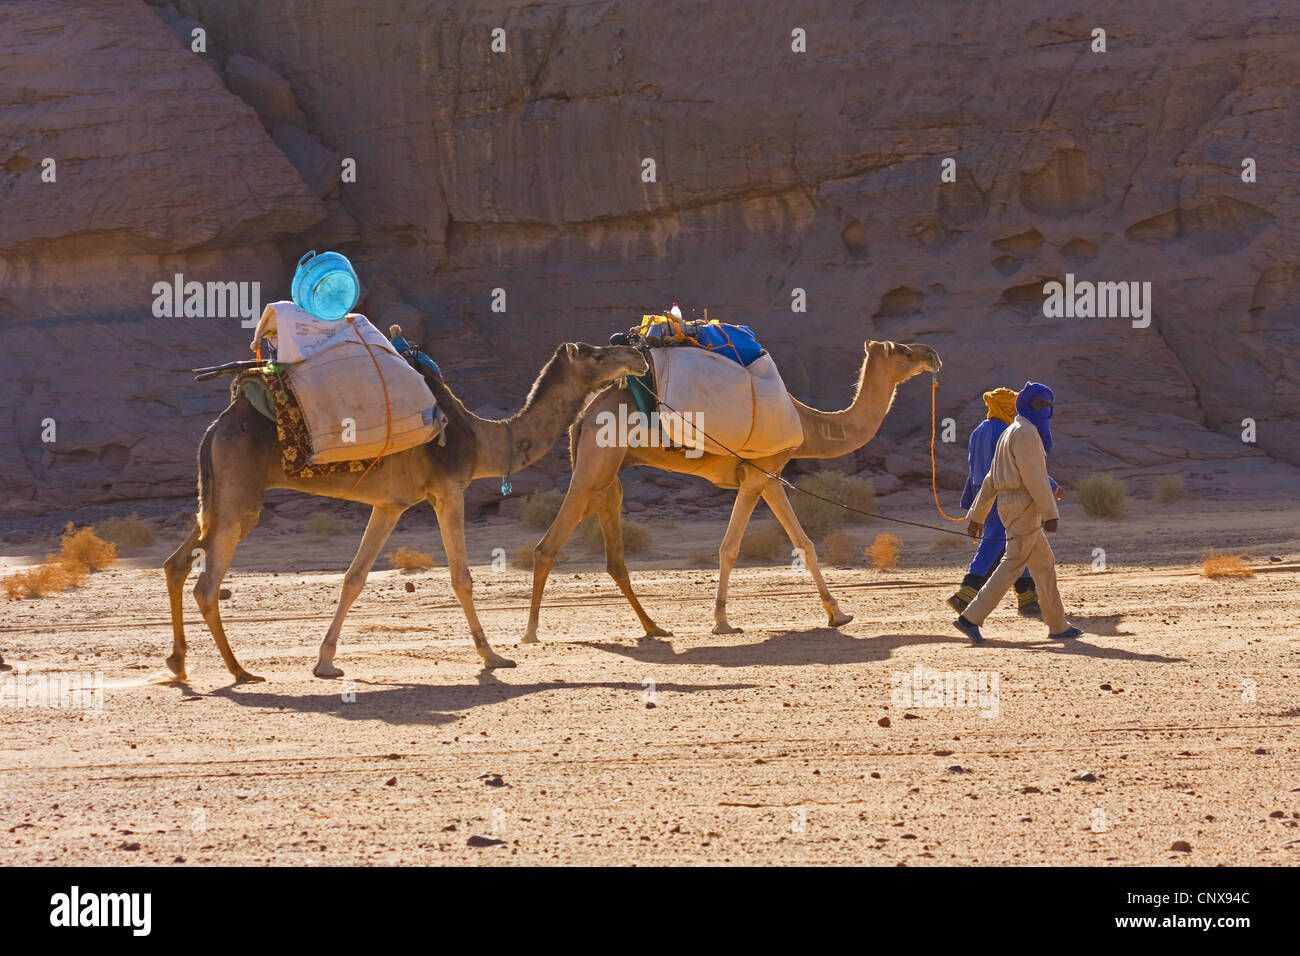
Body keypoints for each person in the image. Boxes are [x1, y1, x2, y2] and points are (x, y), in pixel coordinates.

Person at [953, 382, 1082, 644]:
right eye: (1039, 404)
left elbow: (990, 478)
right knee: (1013, 563)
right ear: (1025, 404)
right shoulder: (1026, 433)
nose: (1044, 409)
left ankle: (1058, 625)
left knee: (1044, 564)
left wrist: (977, 516)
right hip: (1024, 505)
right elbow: (1034, 477)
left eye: (1047, 404)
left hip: (1009, 503)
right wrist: (1050, 513)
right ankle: (970, 619)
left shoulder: (1010, 430)